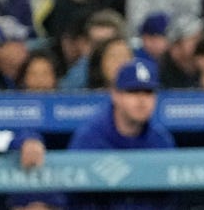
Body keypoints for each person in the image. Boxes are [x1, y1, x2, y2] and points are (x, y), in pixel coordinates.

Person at [66, 57, 175, 210]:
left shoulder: (161, 139)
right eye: (133, 91)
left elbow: (168, 200)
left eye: (148, 92)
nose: (142, 100)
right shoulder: (90, 137)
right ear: (115, 94)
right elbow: (74, 197)